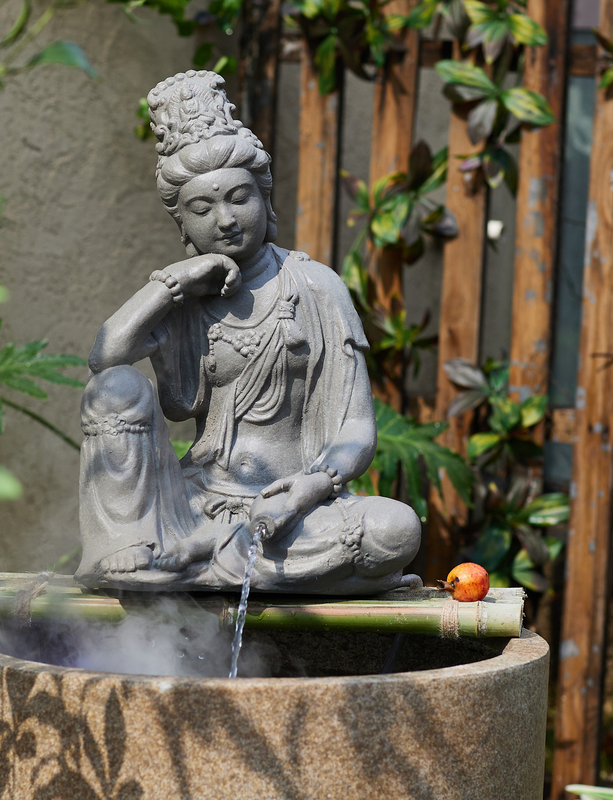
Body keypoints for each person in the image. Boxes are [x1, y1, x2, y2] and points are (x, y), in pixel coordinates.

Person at [75, 70, 421, 594]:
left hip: (293, 511)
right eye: (202, 208)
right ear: (182, 222)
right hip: (194, 503)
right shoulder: (186, 296)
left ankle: (204, 561)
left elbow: (355, 430)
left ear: (264, 197)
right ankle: (176, 549)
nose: (226, 219)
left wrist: (308, 488)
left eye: (240, 197)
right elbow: (106, 356)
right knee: (113, 389)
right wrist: (177, 281)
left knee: (393, 530)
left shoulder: (314, 286)